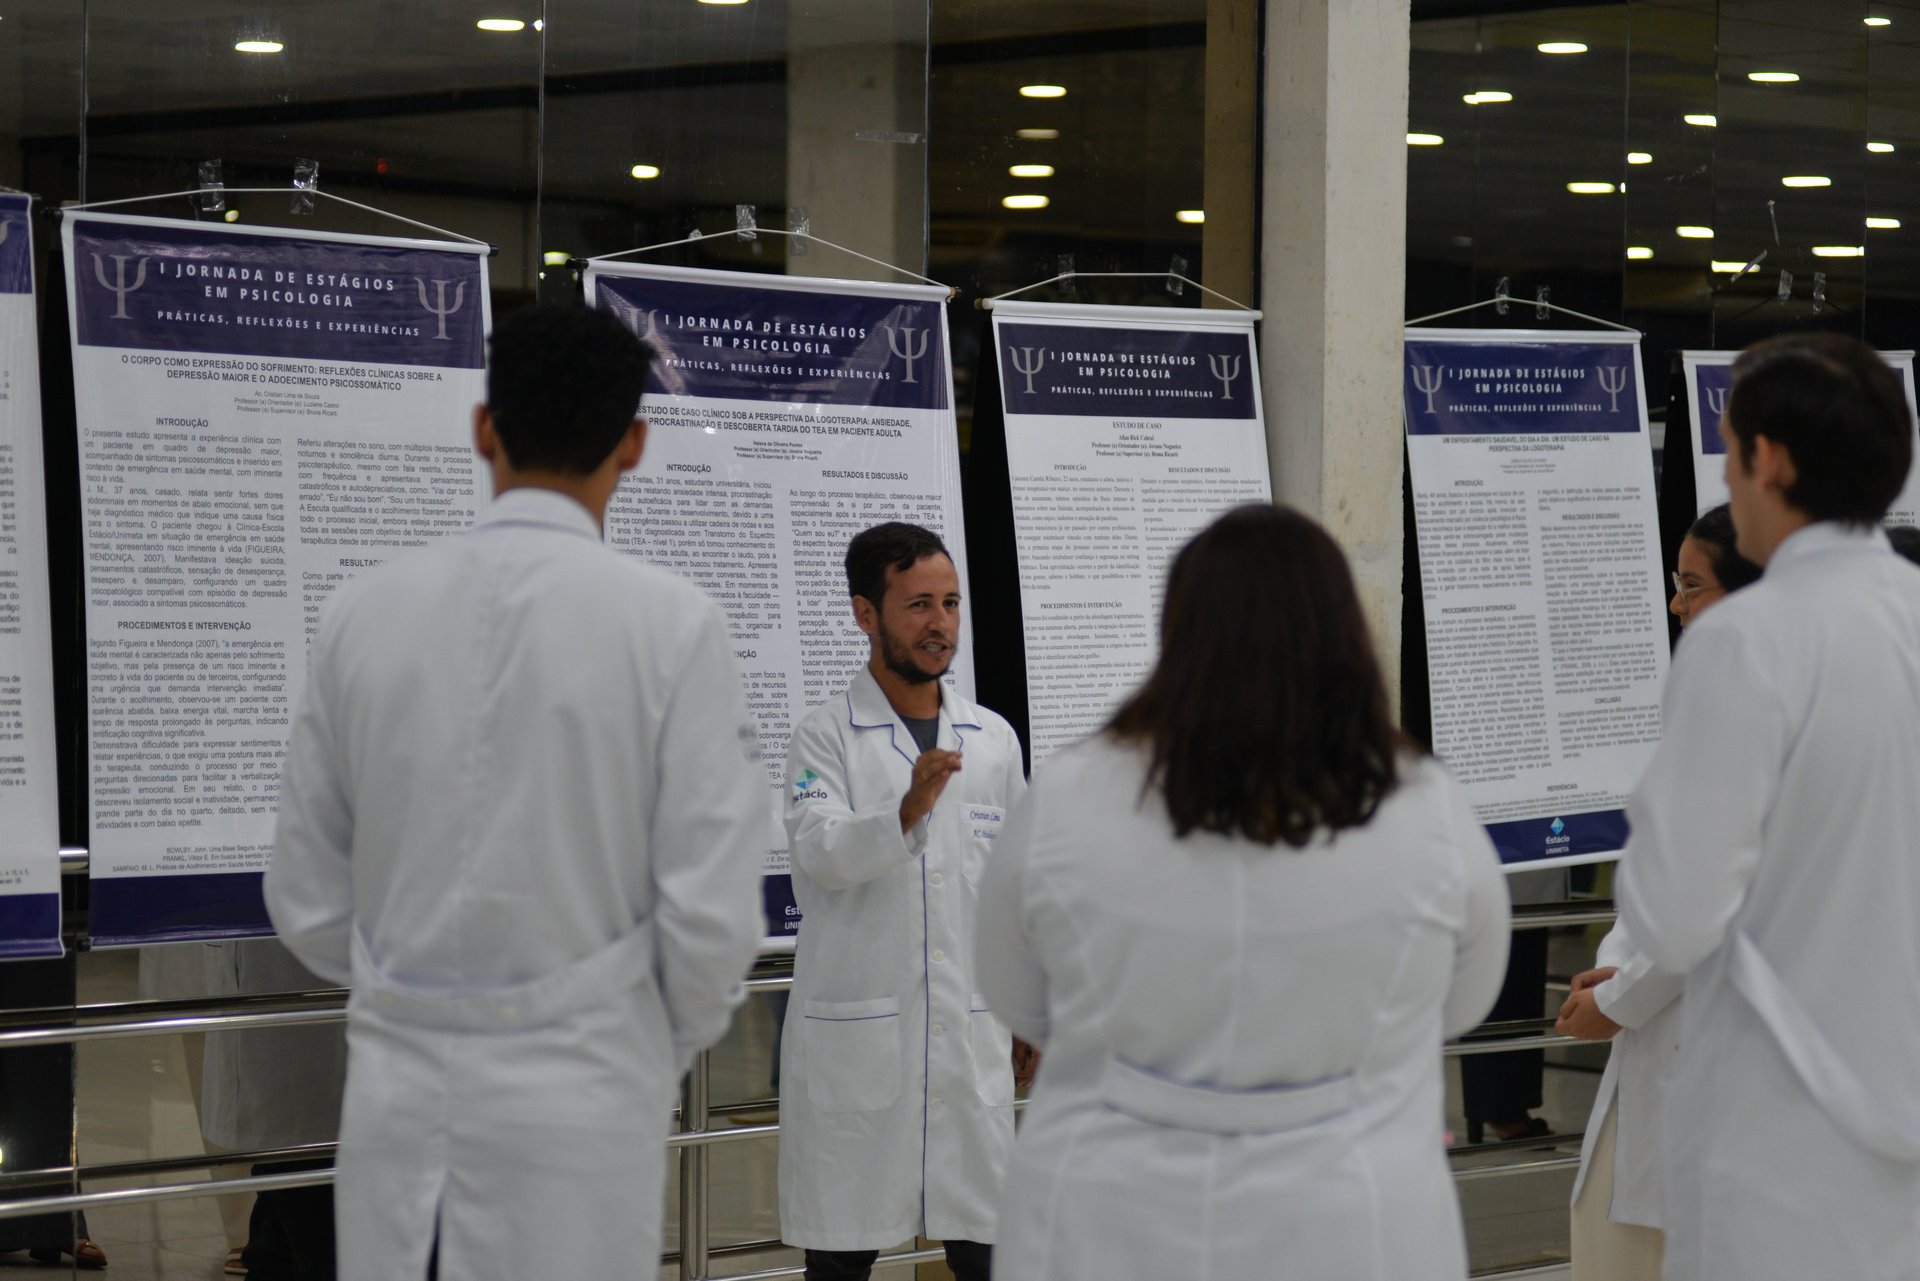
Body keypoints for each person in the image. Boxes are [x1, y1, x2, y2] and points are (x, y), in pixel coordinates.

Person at [265, 303, 767, 1281]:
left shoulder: (364, 612)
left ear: (483, 427)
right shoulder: (671, 627)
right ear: (634, 444)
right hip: (582, 1102)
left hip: (400, 1095)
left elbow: (305, 895)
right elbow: (712, 915)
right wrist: (623, 1034)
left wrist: (411, 994)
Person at [973, 504, 1511, 1281]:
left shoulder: (1068, 794)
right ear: (1345, 633)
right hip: (1352, 1216)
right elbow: (1464, 998)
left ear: (1180, 630)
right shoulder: (1424, 805)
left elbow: (1014, 992)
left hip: (1106, 1214)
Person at [1617, 332, 1920, 1281]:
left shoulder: (1747, 639)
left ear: (1772, 460)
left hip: (1782, 1125)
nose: (1725, 475)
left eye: (1729, 448)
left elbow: (1673, 914)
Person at [779, 521, 1027, 1281]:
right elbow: (820, 852)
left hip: (970, 1037)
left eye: (950, 603)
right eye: (918, 604)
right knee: (842, 1258)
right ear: (866, 613)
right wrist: (904, 813)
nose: (940, 623)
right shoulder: (824, 738)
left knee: (988, 1249)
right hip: (863, 1040)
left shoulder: (991, 740)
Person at [1555, 500, 1759, 1281]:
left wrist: (1620, 996)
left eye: (1692, 585)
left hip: (1706, 1048)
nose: (1676, 605)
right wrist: (1619, 968)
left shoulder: (1760, 717)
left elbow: (1713, 900)